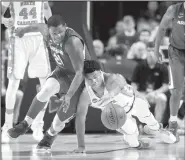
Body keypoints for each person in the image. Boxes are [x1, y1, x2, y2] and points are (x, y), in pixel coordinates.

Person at [7, 15, 92, 151]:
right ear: (48, 30)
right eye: (54, 33)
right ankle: (25, 124)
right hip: (62, 71)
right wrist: (23, 31)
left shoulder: (72, 42)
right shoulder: (44, 29)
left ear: (66, 27)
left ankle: (48, 138)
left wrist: (68, 96)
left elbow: (79, 73)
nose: (57, 36)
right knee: (45, 90)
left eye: (61, 32)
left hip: (80, 80)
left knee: (60, 119)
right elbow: (36, 26)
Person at [1, 1, 52, 143]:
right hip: (18, 39)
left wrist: (50, 27)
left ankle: (38, 125)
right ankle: (7, 126)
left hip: (38, 38)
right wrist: (4, 19)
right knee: (13, 83)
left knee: (47, 84)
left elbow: (46, 8)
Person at [154, 2, 185, 142]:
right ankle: (173, 124)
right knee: (176, 90)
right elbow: (161, 28)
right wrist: (156, 50)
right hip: (176, 53)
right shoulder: (174, 9)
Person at [131, 42, 169, 125]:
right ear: (146, 54)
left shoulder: (163, 67)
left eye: (153, 52)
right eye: (149, 52)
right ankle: (139, 125)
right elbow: (133, 84)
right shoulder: (139, 66)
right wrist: (137, 94)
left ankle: (156, 125)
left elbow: (165, 86)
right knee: (135, 99)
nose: (151, 55)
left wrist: (154, 93)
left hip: (156, 94)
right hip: (142, 93)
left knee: (162, 98)